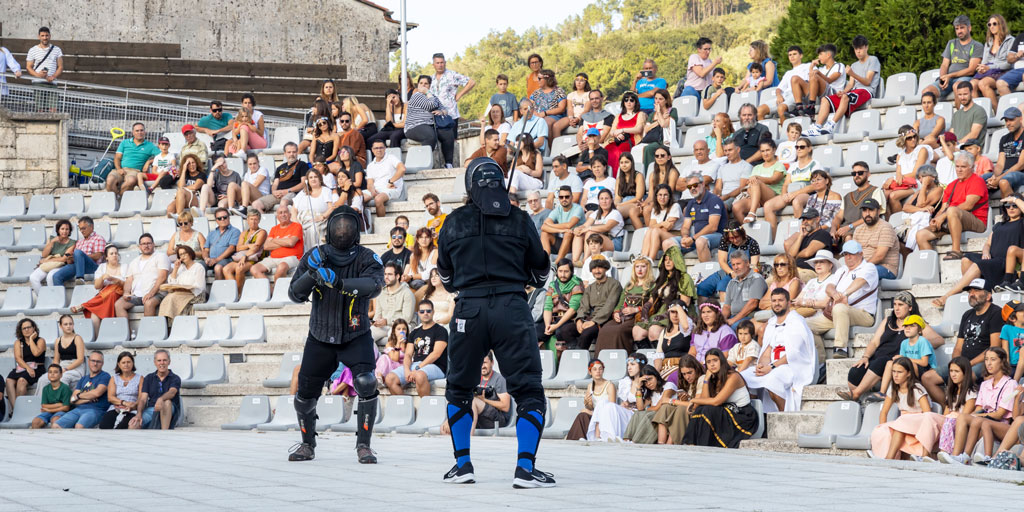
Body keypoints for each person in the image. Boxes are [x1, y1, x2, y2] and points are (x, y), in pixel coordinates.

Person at [435, 157, 554, 487]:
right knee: (528, 389)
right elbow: (542, 271)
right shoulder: (519, 218)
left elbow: (445, 275)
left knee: (459, 388)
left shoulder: (454, 221)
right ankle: (525, 469)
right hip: (512, 308)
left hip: (469, 309)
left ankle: (463, 466)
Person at [286, 206, 384, 462]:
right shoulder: (315, 255)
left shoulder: (367, 257)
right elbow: (294, 294)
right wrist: (311, 274)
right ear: (329, 229)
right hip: (320, 333)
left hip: (356, 333)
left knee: (366, 382)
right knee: (305, 394)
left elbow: (374, 287)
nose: (342, 230)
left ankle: (364, 445)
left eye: (347, 225)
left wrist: (340, 284)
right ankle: (307, 444)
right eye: (338, 226)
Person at [840, 291, 944, 402]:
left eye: (900, 305)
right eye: (894, 305)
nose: (896, 308)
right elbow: (874, 342)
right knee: (856, 371)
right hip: (877, 359)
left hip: (894, 361)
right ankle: (858, 399)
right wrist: (865, 357)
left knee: (883, 361)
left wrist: (917, 343)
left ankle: (856, 394)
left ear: (909, 307)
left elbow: (939, 340)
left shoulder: (915, 324)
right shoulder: (888, 321)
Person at [934, 195, 1024, 303]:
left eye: (1015, 205)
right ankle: (975, 293)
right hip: (992, 260)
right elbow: (988, 244)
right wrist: (986, 251)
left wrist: (1014, 199)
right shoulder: (999, 225)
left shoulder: (1022, 222)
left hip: (1005, 263)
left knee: (978, 265)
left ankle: (947, 296)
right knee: (966, 259)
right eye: (1008, 206)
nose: (1011, 208)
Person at [741, 289, 816, 411]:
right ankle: (754, 415)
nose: (777, 303)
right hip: (773, 366)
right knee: (743, 377)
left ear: (788, 303)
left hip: (793, 366)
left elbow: (793, 354)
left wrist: (771, 367)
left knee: (773, 380)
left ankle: (783, 417)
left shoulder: (796, 322)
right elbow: (767, 349)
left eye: (780, 300)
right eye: (774, 300)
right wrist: (761, 366)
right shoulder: (771, 323)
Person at [938, 347, 1015, 465]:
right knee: (962, 417)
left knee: (976, 420)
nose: (988, 363)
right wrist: (973, 416)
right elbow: (978, 409)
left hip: (1000, 424)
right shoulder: (985, 384)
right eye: (986, 359)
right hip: (982, 419)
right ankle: (956, 456)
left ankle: (965, 456)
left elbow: (1000, 414)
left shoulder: (1010, 383)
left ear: (1002, 361)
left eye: (993, 359)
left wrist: (978, 416)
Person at [806, 240, 879, 359]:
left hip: (862, 313)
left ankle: (841, 348)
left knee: (840, 308)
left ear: (860, 254)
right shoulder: (842, 270)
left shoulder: (868, 267)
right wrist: (834, 294)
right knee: (804, 324)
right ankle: (820, 360)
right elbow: (829, 287)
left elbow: (859, 281)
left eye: (852, 254)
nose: (848, 257)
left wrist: (844, 294)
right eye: (845, 254)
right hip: (837, 313)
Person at [916, 152, 990, 259]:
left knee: (952, 210)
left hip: (976, 220)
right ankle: (931, 267)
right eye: (957, 166)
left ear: (972, 167)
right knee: (921, 235)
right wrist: (936, 220)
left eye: (963, 167)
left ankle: (956, 250)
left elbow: (968, 205)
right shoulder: (952, 185)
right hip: (951, 218)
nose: (959, 170)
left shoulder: (977, 181)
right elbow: (943, 208)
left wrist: (944, 215)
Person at [869, 357, 945, 460]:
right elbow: (884, 412)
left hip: (919, 421)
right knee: (880, 429)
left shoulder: (916, 388)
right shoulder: (893, 387)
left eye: (899, 372)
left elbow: (927, 414)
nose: (895, 375)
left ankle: (888, 458)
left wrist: (908, 420)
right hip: (904, 422)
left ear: (908, 373)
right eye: (894, 372)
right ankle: (881, 456)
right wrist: (883, 427)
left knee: (901, 422)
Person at [682, 348, 759, 448]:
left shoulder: (733, 376)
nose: (712, 364)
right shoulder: (713, 378)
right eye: (709, 362)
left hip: (742, 415)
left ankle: (701, 445)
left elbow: (716, 402)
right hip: (725, 411)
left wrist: (693, 400)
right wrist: (706, 379)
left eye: (715, 360)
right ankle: (691, 444)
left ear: (722, 361)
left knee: (708, 410)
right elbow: (706, 400)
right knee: (701, 409)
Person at [805, 36, 881, 136]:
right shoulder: (854, 65)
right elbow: (850, 84)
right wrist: (844, 91)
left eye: (860, 48)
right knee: (825, 100)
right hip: (853, 91)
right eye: (856, 49)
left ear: (866, 47)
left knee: (845, 97)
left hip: (866, 91)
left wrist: (852, 74)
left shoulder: (873, 60)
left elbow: (867, 82)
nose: (858, 51)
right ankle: (817, 127)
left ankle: (830, 125)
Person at [385, 299, 448, 397]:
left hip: (436, 366)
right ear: (418, 313)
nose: (425, 313)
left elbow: (436, 353)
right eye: (422, 311)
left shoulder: (441, 330)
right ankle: (406, 408)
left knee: (419, 375)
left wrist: (418, 368)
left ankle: (424, 408)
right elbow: (408, 354)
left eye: (428, 311)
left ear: (433, 312)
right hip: (416, 365)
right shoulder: (415, 332)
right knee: (390, 378)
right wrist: (407, 370)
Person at [559, 257, 622, 352]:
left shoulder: (614, 284)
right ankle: (574, 352)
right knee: (565, 330)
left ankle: (579, 355)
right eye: (594, 268)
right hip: (589, 318)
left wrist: (594, 321)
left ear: (605, 268)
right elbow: (583, 306)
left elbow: (609, 306)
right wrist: (579, 320)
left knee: (586, 333)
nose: (597, 271)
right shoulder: (590, 288)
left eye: (600, 267)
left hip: (605, 320)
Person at [920, 15, 984, 104]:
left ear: (969, 28)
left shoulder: (977, 46)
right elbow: (944, 64)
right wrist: (943, 78)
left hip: (965, 78)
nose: (959, 31)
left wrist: (949, 76)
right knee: (927, 92)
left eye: (962, 28)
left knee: (957, 86)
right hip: (948, 79)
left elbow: (971, 70)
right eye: (957, 29)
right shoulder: (951, 43)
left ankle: (959, 116)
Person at [952, 279, 1004, 379]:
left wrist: (968, 364)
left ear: (988, 296)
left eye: (976, 290)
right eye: (970, 291)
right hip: (964, 363)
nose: (971, 294)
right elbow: (958, 347)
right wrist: (956, 364)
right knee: (928, 377)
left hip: (984, 362)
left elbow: (994, 348)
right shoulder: (967, 315)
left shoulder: (996, 313)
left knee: (966, 377)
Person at [696, 222, 761, 299]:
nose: (735, 240)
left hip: (743, 272)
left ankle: (725, 310)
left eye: (737, 237)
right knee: (702, 287)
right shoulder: (725, 240)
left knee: (722, 285)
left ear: (742, 234)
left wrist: (741, 276)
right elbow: (722, 261)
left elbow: (753, 266)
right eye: (731, 238)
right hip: (727, 270)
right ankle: (705, 309)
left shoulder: (752, 243)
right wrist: (731, 272)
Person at [70, 245, 125, 332]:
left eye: (116, 253)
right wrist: (103, 277)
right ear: (106, 257)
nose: (114, 255)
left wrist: (114, 279)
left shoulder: (124, 267)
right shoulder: (102, 267)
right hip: (104, 296)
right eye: (111, 253)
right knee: (94, 315)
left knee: (112, 289)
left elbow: (127, 284)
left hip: (118, 293)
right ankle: (96, 339)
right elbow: (97, 286)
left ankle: (85, 305)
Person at [115, 234, 170, 318]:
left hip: (157, 293)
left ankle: (148, 330)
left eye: (149, 243)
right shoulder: (134, 262)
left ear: (153, 244)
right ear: (139, 246)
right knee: (118, 304)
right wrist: (126, 292)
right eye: (143, 244)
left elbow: (162, 277)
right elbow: (129, 280)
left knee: (149, 303)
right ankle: (127, 331)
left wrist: (151, 293)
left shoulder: (161, 257)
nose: (146, 246)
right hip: (136, 295)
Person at [653, 355, 705, 444]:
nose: (687, 377)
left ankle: (670, 445)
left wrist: (672, 401)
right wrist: (684, 400)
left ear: (696, 369)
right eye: (684, 374)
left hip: (701, 411)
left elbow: (695, 406)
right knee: (666, 407)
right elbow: (690, 402)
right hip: (690, 409)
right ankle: (661, 443)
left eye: (690, 372)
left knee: (680, 408)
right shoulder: (690, 382)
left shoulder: (702, 378)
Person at [52, 351, 109, 429]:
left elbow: (97, 393)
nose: (95, 364)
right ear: (88, 362)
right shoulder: (83, 379)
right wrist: (87, 398)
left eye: (98, 361)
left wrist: (78, 396)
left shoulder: (105, 376)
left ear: (102, 363)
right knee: (56, 426)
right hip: (78, 409)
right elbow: (72, 400)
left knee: (79, 426)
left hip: (95, 410)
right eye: (93, 361)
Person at [733, 140, 785, 225]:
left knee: (755, 181)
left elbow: (773, 179)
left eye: (768, 150)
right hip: (757, 199)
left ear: (774, 150)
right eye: (763, 151)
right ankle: (746, 235)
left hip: (773, 196)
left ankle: (752, 212)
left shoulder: (779, 165)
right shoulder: (757, 167)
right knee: (736, 207)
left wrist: (758, 178)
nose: (765, 153)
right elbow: (750, 184)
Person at [622, 365, 677, 444]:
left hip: (667, 417)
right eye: (645, 382)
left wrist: (648, 409)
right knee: (638, 414)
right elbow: (640, 408)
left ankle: (636, 441)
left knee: (651, 414)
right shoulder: (651, 392)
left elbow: (658, 408)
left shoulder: (669, 386)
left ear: (656, 376)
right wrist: (638, 388)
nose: (648, 383)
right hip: (656, 418)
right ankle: (626, 440)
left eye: (650, 379)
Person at [970, 15, 1014, 114]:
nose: (991, 26)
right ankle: (980, 114)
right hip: (988, 71)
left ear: (1001, 24)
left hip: (1002, 71)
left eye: (994, 24)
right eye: (989, 24)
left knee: (983, 83)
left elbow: (1008, 64)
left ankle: (998, 112)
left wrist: (989, 67)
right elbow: (984, 62)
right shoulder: (989, 42)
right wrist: (981, 67)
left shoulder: (1010, 40)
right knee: (971, 84)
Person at [834, 162, 888, 241]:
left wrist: (850, 227)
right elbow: (839, 216)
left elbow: (874, 215)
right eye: (854, 173)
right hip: (845, 230)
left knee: (849, 237)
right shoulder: (847, 196)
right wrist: (833, 228)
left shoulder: (876, 191)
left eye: (860, 173)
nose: (856, 176)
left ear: (868, 174)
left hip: (866, 228)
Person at [566, 359, 617, 441]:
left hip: (606, 418)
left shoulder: (610, 385)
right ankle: (578, 439)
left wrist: (590, 412)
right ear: (590, 372)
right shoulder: (590, 386)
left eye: (600, 369)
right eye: (595, 369)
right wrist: (588, 404)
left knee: (584, 413)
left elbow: (612, 408)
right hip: (595, 416)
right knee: (582, 416)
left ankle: (579, 438)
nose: (598, 371)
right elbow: (590, 407)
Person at [884, 127, 931, 214]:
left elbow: (916, 173)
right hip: (905, 183)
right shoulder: (900, 155)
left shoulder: (922, 150)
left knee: (893, 196)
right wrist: (894, 178)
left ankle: (899, 221)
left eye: (915, 136)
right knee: (884, 194)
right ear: (903, 140)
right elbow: (898, 173)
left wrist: (893, 178)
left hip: (918, 183)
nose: (913, 139)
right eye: (909, 138)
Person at [758, 46, 812, 123]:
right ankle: (766, 133)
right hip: (785, 96)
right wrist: (779, 95)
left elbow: (813, 82)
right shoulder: (788, 73)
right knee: (759, 111)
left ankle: (785, 133)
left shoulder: (808, 66)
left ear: (801, 55)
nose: (792, 56)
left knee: (781, 108)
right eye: (790, 55)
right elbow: (779, 89)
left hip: (799, 95)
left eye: (794, 54)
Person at [570, 189, 623, 266]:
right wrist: (577, 229)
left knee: (590, 233)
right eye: (601, 199)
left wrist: (589, 228)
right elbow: (585, 225)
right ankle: (575, 261)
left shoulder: (615, 213)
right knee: (579, 234)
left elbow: (606, 227)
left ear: (611, 200)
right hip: (598, 239)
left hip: (613, 241)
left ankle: (586, 260)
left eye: (607, 198)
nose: (604, 201)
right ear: (598, 201)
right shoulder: (596, 213)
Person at [252, 143, 309, 213]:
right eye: (289, 152)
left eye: (294, 152)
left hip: (293, 193)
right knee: (255, 204)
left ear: (297, 153)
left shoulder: (302, 165)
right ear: (285, 153)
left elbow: (304, 183)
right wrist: (274, 192)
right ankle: (266, 222)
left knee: (283, 203)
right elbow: (275, 183)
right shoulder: (280, 168)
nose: (291, 154)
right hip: (278, 194)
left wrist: (287, 191)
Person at [251, 205, 304, 281]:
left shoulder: (297, 226)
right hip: (273, 258)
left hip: (292, 257)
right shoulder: (274, 229)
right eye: (280, 213)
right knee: (254, 269)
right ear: (277, 217)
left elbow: (291, 243)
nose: (283, 215)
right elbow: (266, 246)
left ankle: (277, 290)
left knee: (281, 267)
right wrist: (285, 241)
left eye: (285, 212)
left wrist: (274, 240)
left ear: (290, 215)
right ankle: (271, 290)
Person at [852, 198, 900, 280]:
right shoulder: (858, 229)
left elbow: (879, 256)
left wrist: (860, 268)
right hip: (865, 267)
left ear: (878, 212)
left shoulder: (886, 227)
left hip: (886, 268)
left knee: (864, 272)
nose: (867, 214)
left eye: (871, 210)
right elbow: (854, 254)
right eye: (864, 210)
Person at [291, 168, 339, 250]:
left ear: (320, 179)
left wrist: (322, 217)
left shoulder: (325, 190)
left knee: (313, 230)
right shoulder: (303, 192)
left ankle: (314, 254)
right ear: (307, 180)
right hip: (301, 220)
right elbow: (294, 209)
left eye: (315, 177)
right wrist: (296, 221)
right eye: (311, 177)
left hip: (319, 220)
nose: (313, 179)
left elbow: (331, 208)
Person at [369, 261, 416, 344]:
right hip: (384, 326)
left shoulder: (407, 293)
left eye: (390, 274)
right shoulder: (381, 293)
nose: (386, 277)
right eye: (385, 274)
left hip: (402, 326)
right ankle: (376, 356)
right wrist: (375, 322)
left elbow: (407, 318)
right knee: (367, 336)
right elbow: (378, 314)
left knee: (394, 333)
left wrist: (387, 321)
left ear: (397, 276)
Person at [107, 122, 159, 196]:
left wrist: (149, 162)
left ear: (145, 132)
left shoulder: (150, 146)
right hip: (120, 169)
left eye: (141, 130)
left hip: (135, 171)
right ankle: (115, 200)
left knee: (131, 181)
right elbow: (117, 158)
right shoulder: (124, 142)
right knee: (110, 180)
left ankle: (120, 200)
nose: (139, 132)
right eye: (137, 131)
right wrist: (118, 169)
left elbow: (162, 156)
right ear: (133, 132)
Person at [5, 319, 47, 411]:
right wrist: (27, 368)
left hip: (37, 368)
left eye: (29, 327)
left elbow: (36, 353)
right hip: (23, 367)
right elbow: (18, 358)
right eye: (24, 328)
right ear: (21, 330)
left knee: (21, 380)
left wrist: (31, 339)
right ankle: (16, 409)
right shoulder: (18, 342)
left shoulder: (40, 340)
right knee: (9, 380)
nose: (26, 330)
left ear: (34, 328)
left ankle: (20, 409)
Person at [429, 53, 475, 133]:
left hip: (451, 114)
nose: (440, 65)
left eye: (442, 62)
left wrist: (459, 95)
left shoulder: (452, 75)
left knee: (452, 141)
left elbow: (471, 82)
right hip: (436, 116)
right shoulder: (431, 78)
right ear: (433, 65)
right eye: (437, 63)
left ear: (445, 63)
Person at [223, 210, 267, 293]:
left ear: (259, 221)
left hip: (254, 258)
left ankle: (239, 293)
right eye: (251, 219)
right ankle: (233, 292)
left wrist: (245, 256)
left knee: (239, 269)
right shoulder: (244, 233)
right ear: (247, 220)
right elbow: (238, 248)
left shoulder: (262, 232)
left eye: (256, 219)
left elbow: (256, 248)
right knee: (226, 269)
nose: (253, 222)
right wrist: (248, 245)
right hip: (242, 257)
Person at [158, 245, 206, 319]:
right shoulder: (180, 268)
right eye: (180, 255)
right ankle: (167, 324)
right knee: (167, 298)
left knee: (172, 298)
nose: (183, 256)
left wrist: (186, 288)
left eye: (185, 253)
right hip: (179, 293)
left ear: (190, 253)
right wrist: (175, 269)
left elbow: (200, 286)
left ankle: (175, 324)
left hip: (193, 294)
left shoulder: (198, 267)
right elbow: (172, 283)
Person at [985, 107, 1024, 198]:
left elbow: (1021, 164)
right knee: (980, 181)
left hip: (1020, 173)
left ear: (1021, 118)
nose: (1008, 123)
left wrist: (999, 178)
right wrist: (994, 177)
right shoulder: (1004, 138)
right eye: (1006, 121)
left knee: (1003, 181)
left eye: (1011, 120)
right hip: (1005, 173)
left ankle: (1007, 210)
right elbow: (1000, 165)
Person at [785, 207, 833, 280]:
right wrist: (800, 236)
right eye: (803, 219)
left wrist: (796, 256)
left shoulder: (823, 234)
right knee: (770, 281)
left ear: (817, 219)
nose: (805, 222)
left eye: (808, 219)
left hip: (810, 271)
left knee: (795, 279)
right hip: (795, 270)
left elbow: (808, 253)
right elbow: (790, 255)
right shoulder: (803, 236)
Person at [605, 92, 647, 176]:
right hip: (617, 140)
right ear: (623, 102)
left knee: (620, 151)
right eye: (626, 100)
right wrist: (617, 134)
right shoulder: (618, 116)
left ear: (635, 102)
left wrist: (622, 130)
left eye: (631, 100)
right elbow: (612, 131)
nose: (629, 102)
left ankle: (618, 176)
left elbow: (639, 129)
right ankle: (608, 176)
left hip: (631, 141)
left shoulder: (640, 114)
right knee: (607, 149)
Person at [98, 352, 142, 429]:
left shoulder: (140, 378)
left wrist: (133, 406)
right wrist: (124, 403)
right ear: (119, 364)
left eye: (128, 362)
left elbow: (141, 398)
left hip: (132, 409)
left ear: (133, 363)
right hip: (116, 407)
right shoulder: (114, 378)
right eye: (123, 362)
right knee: (104, 426)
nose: (126, 365)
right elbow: (110, 397)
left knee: (122, 427)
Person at [29, 220, 75, 292]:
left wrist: (46, 261)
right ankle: (44, 298)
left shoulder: (72, 243)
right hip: (48, 265)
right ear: (58, 230)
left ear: (70, 231)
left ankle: (54, 298)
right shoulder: (51, 239)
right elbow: (44, 254)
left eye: (67, 229)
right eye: (62, 229)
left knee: (50, 276)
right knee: (33, 277)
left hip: (60, 265)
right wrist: (52, 242)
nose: (65, 231)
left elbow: (63, 259)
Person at [365, 139, 407, 218]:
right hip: (377, 189)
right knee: (358, 197)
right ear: (372, 150)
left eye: (381, 148)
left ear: (385, 148)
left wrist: (391, 181)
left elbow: (402, 169)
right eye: (376, 148)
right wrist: (372, 191)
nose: (379, 150)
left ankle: (381, 222)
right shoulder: (370, 165)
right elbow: (369, 183)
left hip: (391, 189)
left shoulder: (391, 158)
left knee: (378, 199)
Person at [722, 251, 767, 327]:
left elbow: (753, 303)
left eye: (738, 264)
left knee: (731, 328)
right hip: (733, 317)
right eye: (733, 265)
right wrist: (722, 320)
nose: (736, 267)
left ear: (747, 263)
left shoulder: (756, 279)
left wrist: (733, 320)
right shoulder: (731, 282)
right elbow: (727, 306)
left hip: (748, 317)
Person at [640, 184, 683, 261]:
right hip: (659, 237)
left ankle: (650, 260)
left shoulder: (675, 206)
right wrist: (662, 223)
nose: (662, 198)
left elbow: (667, 228)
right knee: (649, 231)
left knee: (655, 231)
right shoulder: (655, 209)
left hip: (675, 236)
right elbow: (651, 226)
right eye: (660, 195)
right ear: (656, 196)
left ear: (669, 196)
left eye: (665, 195)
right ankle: (643, 258)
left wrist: (657, 226)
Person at [714, 138, 753, 210]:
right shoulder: (722, 168)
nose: (727, 153)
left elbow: (742, 188)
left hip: (737, 196)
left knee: (721, 206)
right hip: (723, 197)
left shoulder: (746, 166)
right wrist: (716, 196)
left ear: (738, 150)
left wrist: (726, 196)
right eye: (725, 151)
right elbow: (718, 187)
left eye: (730, 150)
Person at [528, 69, 567, 138]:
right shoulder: (536, 92)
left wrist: (545, 113)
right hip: (537, 115)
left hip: (554, 116)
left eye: (539, 78)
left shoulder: (559, 91)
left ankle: (550, 147)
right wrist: (534, 113)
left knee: (546, 123)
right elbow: (528, 105)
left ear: (547, 79)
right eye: (537, 78)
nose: (538, 80)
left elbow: (561, 108)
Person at [203, 208, 240, 279]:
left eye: (225, 217)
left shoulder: (235, 231)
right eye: (219, 218)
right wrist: (206, 258)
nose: (222, 219)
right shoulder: (212, 233)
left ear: (229, 218)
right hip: (210, 260)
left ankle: (218, 289)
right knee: (198, 266)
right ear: (216, 221)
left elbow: (231, 248)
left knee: (218, 267)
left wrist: (216, 260)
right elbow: (205, 250)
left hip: (226, 259)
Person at [31, 364, 71, 429]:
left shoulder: (65, 388)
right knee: (35, 422)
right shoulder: (46, 388)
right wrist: (60, 404)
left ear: (61, 375)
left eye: (55, 372)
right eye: (50, 372)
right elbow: (44, 405)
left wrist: (49, 409)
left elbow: (66, 408)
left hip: (61, 412)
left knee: (55, 420)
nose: (52, 374)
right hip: (49, 411)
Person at [166, 154, 205, 218]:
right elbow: (180, 186)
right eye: (188, 164)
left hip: (197, 199)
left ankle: (179, 216)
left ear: (196, 163)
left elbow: (195, 187)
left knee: (181, 191)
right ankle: (175, 225)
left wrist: (183, 188)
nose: (191, 165)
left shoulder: (201, 175)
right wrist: (183, 170)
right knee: (170, 208)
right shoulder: (184, 175)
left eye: (193, 163)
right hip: (184, 198)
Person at [52, 315, 85, 388]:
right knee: (44, 379)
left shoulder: (77, 338)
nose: (68, 326)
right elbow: (56, 360)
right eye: (65, 324)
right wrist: (54, 370)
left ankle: (61, 399)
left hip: (76, 368)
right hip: (62, 366)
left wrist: (66, 369)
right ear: (60, 326)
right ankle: (42, 399)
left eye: (71, 324)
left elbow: (80, 359)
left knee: (62, 378)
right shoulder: (58, 340)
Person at [555, 73, 591, 137]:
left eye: (582, 80)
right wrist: (571, 118)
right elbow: (570, 109)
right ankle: (556, 145)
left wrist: (578, 119)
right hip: (572, 117)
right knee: (556, 126)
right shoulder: (571, 95)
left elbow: (586, 110)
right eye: (577, 80)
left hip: (584, 117)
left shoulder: (589, 94)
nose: (579, 82)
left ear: (586, 82)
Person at [614, 154, 646, 229]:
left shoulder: (638, 176)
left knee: (616, 213)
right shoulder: (619, 178)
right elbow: (617, 197)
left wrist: (621, 204)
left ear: (632, 163)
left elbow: (638, 197)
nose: (624, 165)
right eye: (621, 163)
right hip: (623, 203)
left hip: (635, 203)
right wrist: (615, 204)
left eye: (626, 162)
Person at [405, 227, 437, 295]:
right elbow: (412, 272)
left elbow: (430, 273)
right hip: (417, 283)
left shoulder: (435, 252)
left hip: (432, 281)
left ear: (431, 239)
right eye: (421, 237)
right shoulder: (413, 255)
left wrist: (411, 277)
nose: (424, 240)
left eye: (427, 237)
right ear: (417, 239)